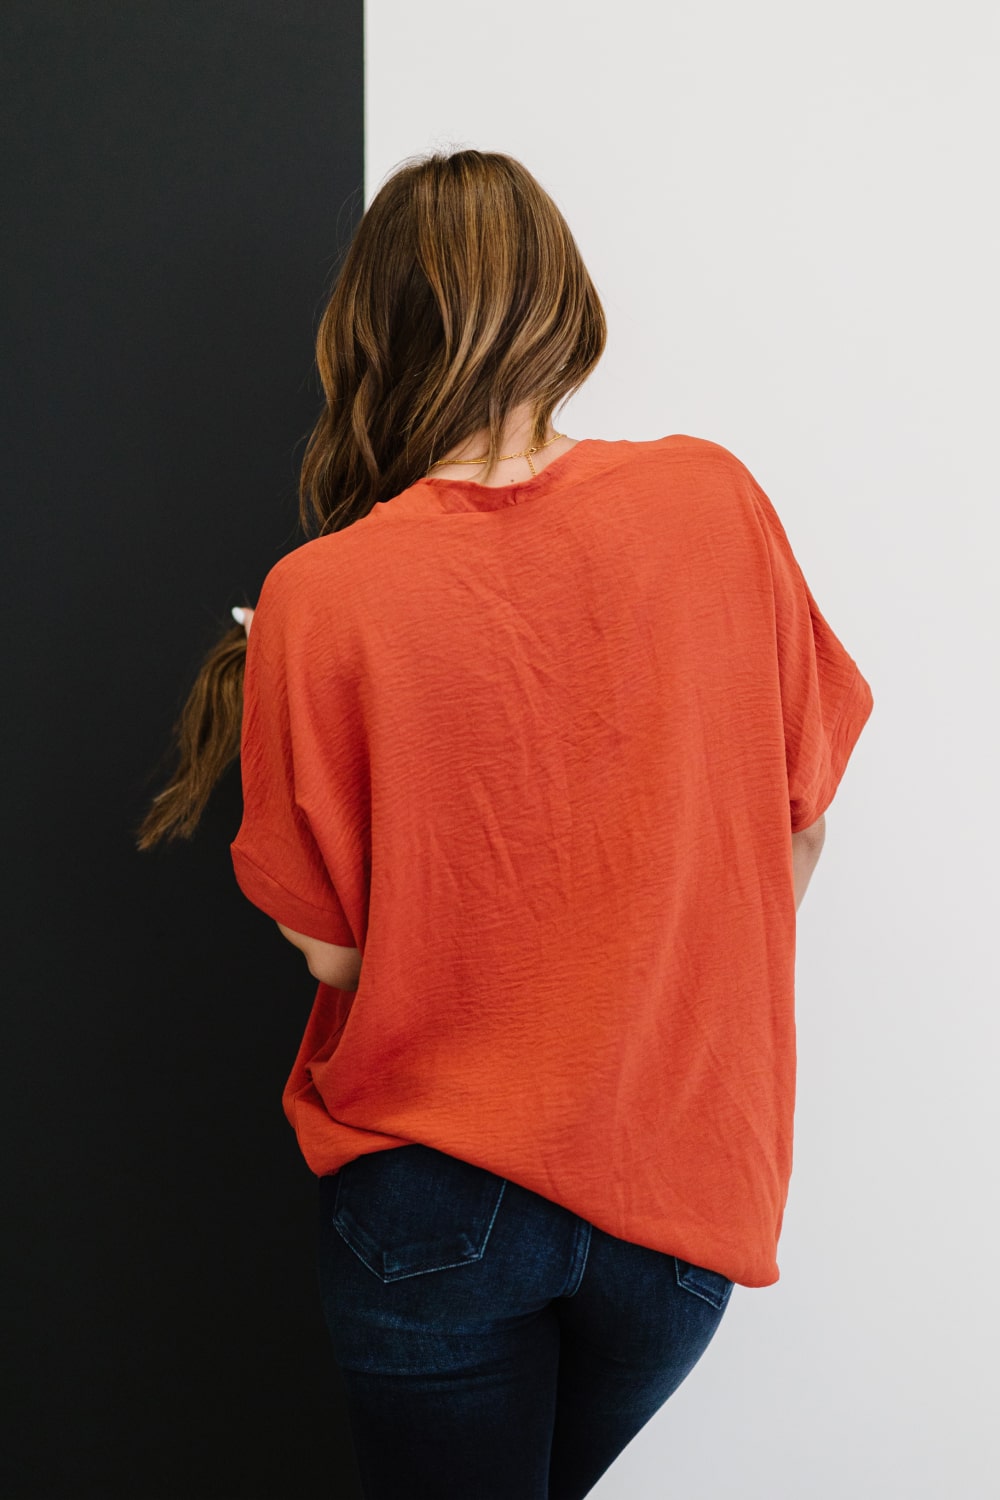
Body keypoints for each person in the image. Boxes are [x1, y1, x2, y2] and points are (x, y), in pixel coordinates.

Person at [136, 148, 874, 1499]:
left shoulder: (319, 593)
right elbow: (796, 829)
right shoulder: (713, 501)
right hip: (679, 1203)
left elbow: (338, 955)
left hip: (435, 1203)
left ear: (366, 338)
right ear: (565, 305)